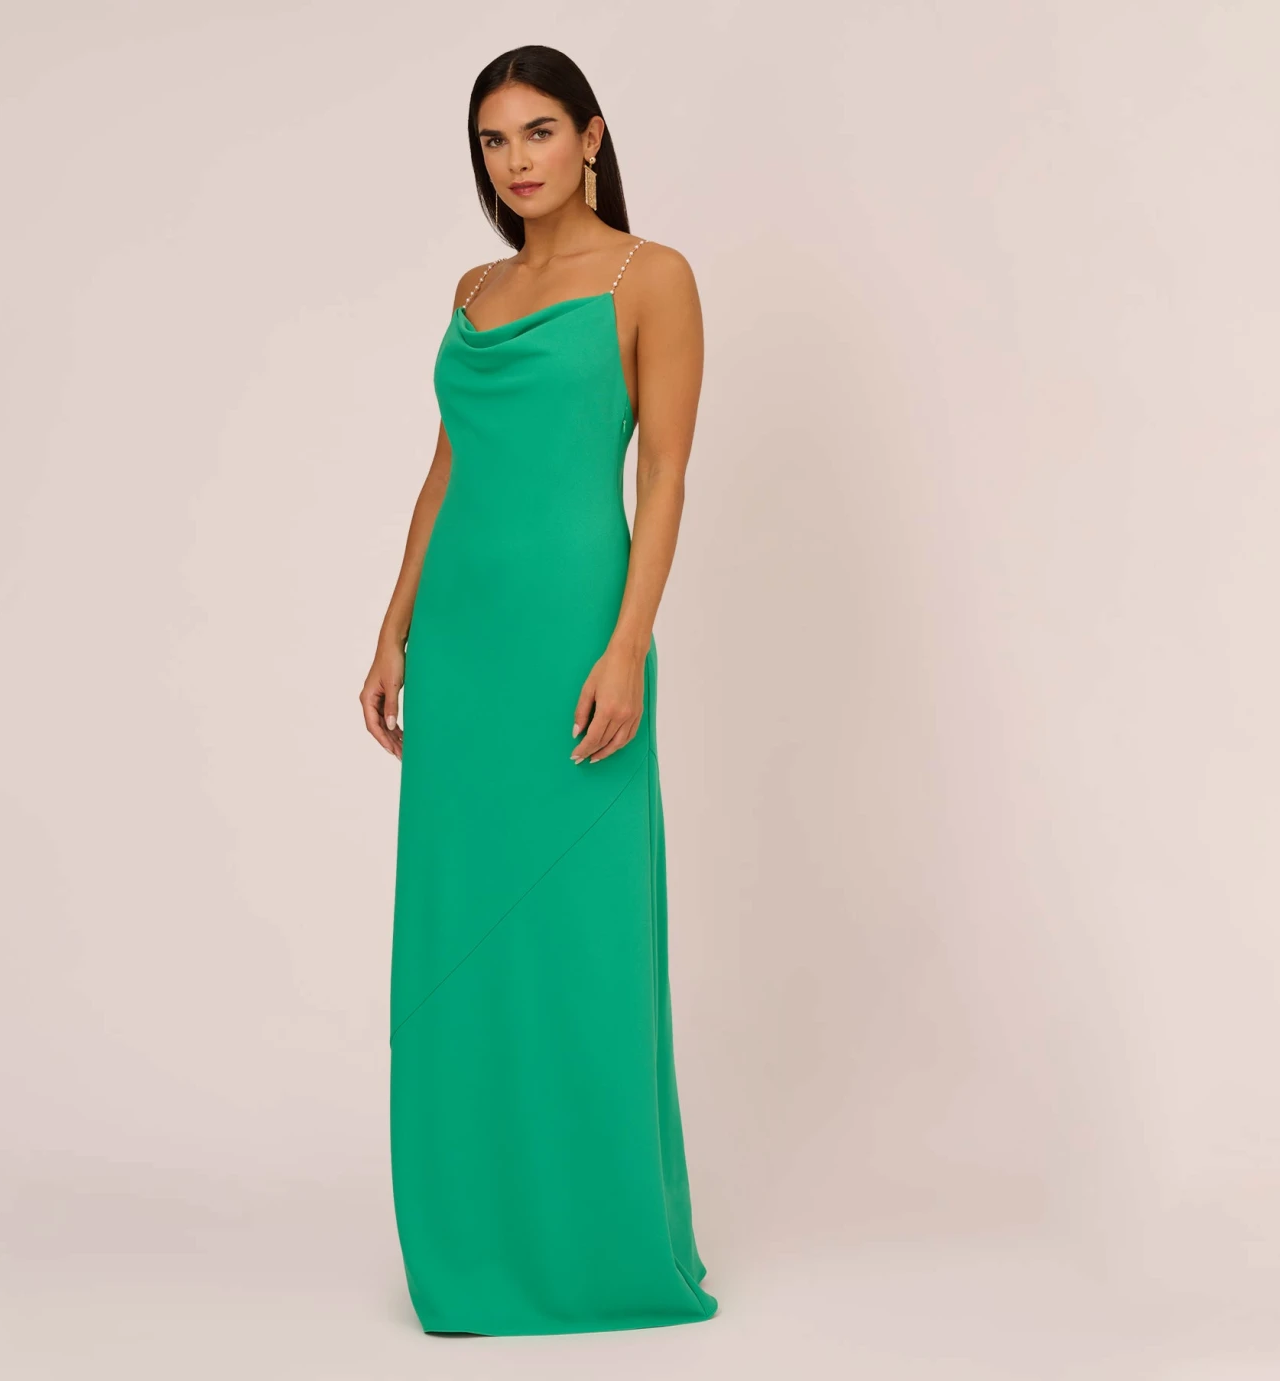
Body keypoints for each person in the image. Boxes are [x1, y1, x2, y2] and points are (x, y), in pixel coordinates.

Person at [359, 44, 716, 1337]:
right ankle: (475, 1245)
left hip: (576, 636)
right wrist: (395, 627)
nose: (517, 160)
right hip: (466, 648)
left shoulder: (650, 277)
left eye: (540, 131)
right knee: (463, 941)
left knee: (582, 936)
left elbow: (663, 474)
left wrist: (628, 645)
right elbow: (446, 470)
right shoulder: (476, 290)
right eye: (494, 140)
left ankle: (600, 1251)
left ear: (592, 137)